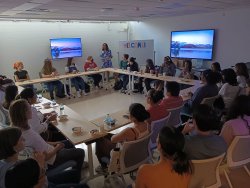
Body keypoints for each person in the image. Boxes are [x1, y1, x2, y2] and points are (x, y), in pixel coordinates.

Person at [9, 99, 85, 182]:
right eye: (29, 108)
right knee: (81, 152)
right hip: (52, 159)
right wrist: (57, 147)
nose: (31, 109)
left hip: (49, 149)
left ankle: (74, 168)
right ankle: (76, 178)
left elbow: (40, 141)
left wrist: (55, 143)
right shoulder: (26, 135)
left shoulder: (21, 128)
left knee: (69, 142)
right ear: (24, 113)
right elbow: (45, 157)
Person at [95, 103, 150, 173]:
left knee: (100, 139)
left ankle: (103, 167)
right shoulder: (148, 125)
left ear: (134, 117)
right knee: (107, 135)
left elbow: (113, 139)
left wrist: (121, 134)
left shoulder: (130, 131)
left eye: (129, 113)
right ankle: (103, 166)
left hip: (124, 161)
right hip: (139, 156)